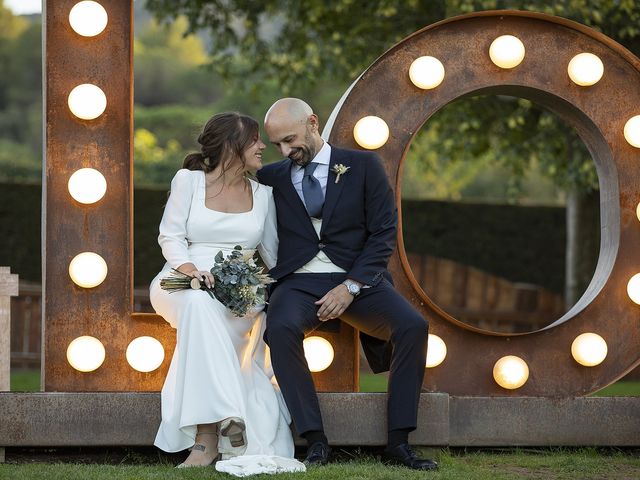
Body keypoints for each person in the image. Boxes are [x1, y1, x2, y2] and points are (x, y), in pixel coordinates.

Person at [256, 98, 438, 471]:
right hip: (298, 281)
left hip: (358, 280)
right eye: (277, 145)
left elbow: (384, 231)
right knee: (280, 327)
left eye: (290, 140)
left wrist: (352, 285)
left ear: (313, 122)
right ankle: (315, 439)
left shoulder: (364, 165)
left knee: (412, 326)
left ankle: (399, 442)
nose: (286, 151)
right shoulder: (270, 177)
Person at [149, 112, 305, 476]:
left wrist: (267, 291)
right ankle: (220, 424)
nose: (263, 147)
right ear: (231, 146)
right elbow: (169, 236)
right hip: (179, 281)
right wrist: (189, 270)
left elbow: (274, 255)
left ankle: (210, 434)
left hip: (238, 295)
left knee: (211, 313)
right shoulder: (188, 182)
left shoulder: (264, 195)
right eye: (254, 140)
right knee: (200, 305)